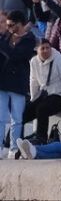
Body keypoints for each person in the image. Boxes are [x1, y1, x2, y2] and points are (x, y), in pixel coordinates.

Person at [0, 14, 36, 149]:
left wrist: (2, 45)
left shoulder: (29, 39)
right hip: (3, 81)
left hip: (18, 82)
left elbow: (17, 55)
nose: (8, 28)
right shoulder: (6, 37)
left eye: (10, 25)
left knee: (17, 118)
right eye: (7, 25)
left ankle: (14, 148)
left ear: (20, 24)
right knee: (1, 118)